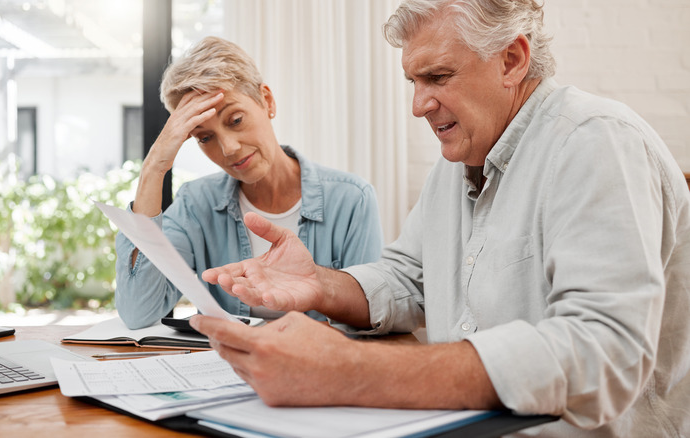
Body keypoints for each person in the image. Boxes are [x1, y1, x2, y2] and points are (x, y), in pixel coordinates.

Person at [189, 1, 690, 436]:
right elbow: (409, 278)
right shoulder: (460, 159)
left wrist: (355, 369)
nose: (417, 104)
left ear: (512, 59)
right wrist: (320, 284)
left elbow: (604, 354)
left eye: (438, 77)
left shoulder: (596, 142)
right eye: (413, 80)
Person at [115, 36, 383, 329]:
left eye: (236, 120)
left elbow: (364, 321)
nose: (228, 148)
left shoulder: (351, 199)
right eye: (205, 137)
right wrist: (154, 167)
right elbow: (137, 311)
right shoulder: (196, 203)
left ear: (267, 101)